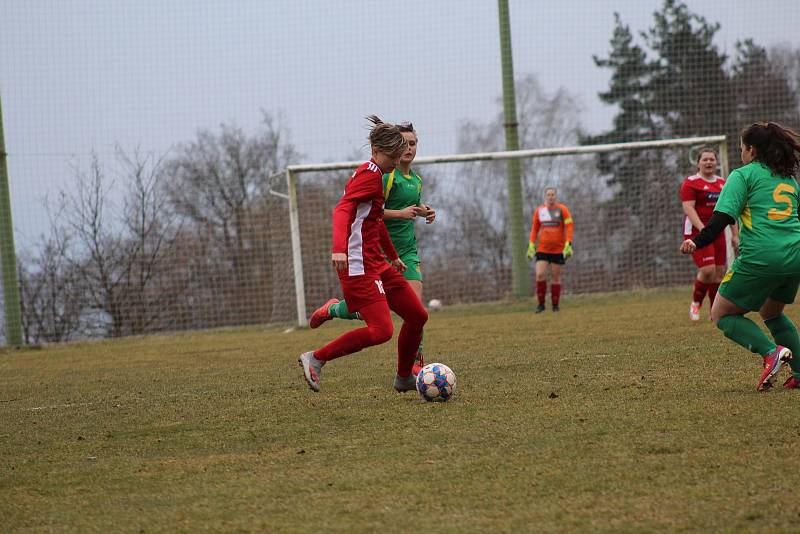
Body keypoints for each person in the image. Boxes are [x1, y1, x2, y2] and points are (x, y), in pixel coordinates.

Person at [298, 116, 428, 394]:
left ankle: (404, 376)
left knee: (417, 315)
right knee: (382, 331)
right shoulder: (369, 175)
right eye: (393, 156)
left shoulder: (379, 174)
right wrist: (338, 249)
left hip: (377, 262)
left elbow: (374, 219)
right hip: (358, 265)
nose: (396, 161)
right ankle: (316, 358)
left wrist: (392, 256)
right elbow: (341, 209)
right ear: (378, 152)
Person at [680, 122, 800, 392]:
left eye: (742, 149)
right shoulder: (787, 178)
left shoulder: (742, 175)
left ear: (751, 150)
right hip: (795, 256)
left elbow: (720, 219)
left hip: (761, 256)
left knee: (721, 314)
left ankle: (771, 353)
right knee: (771, 312)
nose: (741, 154)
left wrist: (696, 241)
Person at [679, 147, 739, 321]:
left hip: (718, 231)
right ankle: (696, 303)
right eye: (704, 159)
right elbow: (688, 208)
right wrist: (704, 230)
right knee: (707, 270)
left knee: (719, 272)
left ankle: (715, 312)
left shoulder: (723, 183)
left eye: (712, 159)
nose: (708, 162)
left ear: (717, 162)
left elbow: (731, 211)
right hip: (697, 231)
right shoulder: (691, 183)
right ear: (698, 163)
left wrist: (735, 234)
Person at [527, 187, 573, 313]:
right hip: (543, 249)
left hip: (558, 249)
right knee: (540, 274)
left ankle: (555, 306)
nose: (551, 196)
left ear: (556, 196)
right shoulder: (539, 211)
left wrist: (568, 243)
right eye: (548, 194)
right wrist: (531, 244)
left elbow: (569, 226)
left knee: (555, 277)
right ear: (545, 196)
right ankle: (541, 305)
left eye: (553, 194)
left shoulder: (563, 209)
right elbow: (534, 228)